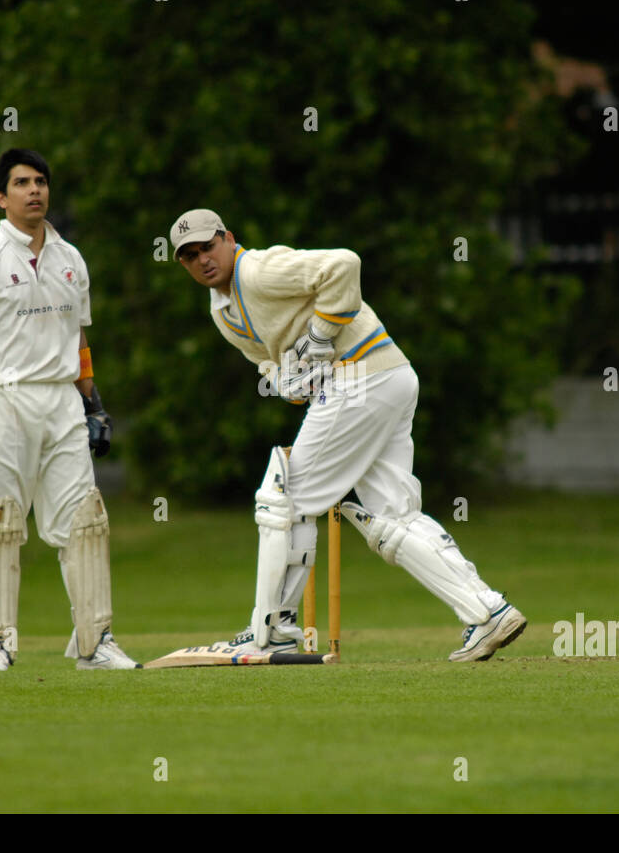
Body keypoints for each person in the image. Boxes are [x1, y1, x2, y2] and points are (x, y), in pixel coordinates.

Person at [170, 208, 525, 662]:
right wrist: (286, 379)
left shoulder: (256, 271)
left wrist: (320, 336)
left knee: (285, 498)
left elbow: (344, 265)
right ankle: (488, 610)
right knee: (393, 515)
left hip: (358, 375)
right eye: (190, 255)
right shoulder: (222, 312)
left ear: (229, 238)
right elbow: (268, 359)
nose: (203, 260)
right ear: (182, 263)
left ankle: (273, 626)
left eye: (208, 246)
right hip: (388, 375)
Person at [0, 148, 138, 671]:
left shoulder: (71, 260)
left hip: (61, 400)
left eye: (40, 181)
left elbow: (77, 340)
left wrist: (92, 403)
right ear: (1, 196)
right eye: (21, 183)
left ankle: (95, 641)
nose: (34, 190)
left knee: (85, 519)